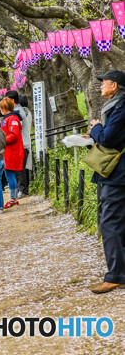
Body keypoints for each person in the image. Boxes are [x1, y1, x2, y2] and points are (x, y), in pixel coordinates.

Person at [88, 69, 125, 293]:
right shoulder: (116, 106)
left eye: (104, 82)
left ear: (115, 86)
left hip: (117, 175)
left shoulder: (120, 108)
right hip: (119, 174)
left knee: (110, 223)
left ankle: (115, 275)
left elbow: (108, 138)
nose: (101, 85)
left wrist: (96, 128)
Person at [0, 97, 24, 208]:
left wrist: (1, 141)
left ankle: (13, 198)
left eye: (1, 108)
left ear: (5, 108)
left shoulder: (13, 118)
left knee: (10, 175)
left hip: (11, 150)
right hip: (8, 150)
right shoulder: (10, 118)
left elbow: (14, 135)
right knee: (9, 174)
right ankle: (13, 197)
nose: (0, 110)